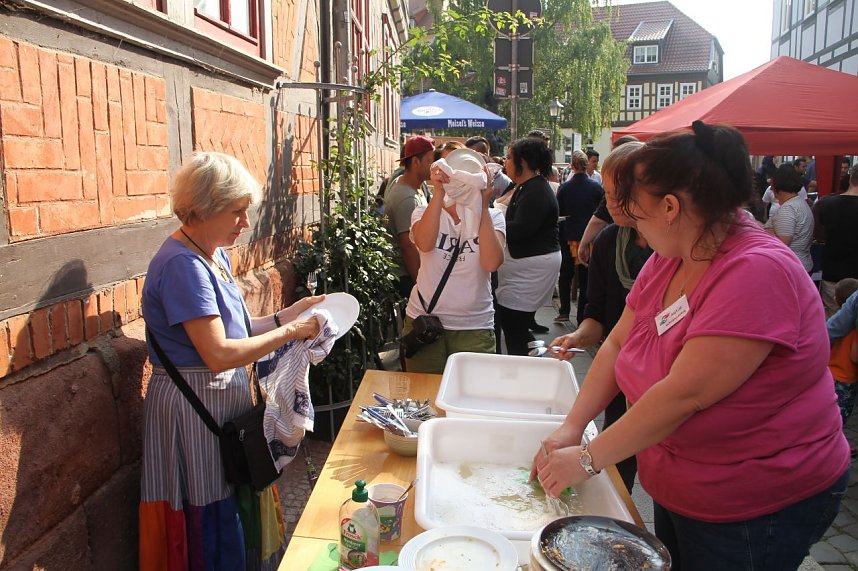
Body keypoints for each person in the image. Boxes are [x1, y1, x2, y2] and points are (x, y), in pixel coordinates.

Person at [532, 122, 848, 570]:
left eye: (636, 212)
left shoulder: (757, 271)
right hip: (685, 485)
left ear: (670, 206)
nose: (634, 227)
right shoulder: (672, 255)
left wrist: (586, 458)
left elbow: (685, 395)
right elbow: (619, 340)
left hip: (754, 502)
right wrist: (572, 426)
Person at [139, 152, 324, 570]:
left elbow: (239, 329)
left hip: (216, 408)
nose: (245, 221)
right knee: (209, 510)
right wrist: (292, 332)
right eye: (237, 211)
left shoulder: (211, 252)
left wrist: (289, 314)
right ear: (204, 209)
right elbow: (219, 354)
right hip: (193, 412)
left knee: (230, 501)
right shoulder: (184, 265)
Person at [548, 141, 649, 492]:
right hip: (622, 371)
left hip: (658, 380)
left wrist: (585, 457)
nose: (605, 202)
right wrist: (578, 337)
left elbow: (683, 395)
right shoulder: (609, 242)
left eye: (610, 192)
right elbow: (602, 321)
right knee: (621, 465)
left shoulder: (671, 251)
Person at [400, 150, 506, 373]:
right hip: (424, 320)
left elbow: (491, 263)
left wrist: (483, 206)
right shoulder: (422, 211)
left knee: (472, 400)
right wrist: (439, 192)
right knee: (424, 398)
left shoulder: (494, 217)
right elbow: (425, 244)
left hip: (474, 327)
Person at [495, 137, 561, 355]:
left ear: (521, 162)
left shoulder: (536, 190)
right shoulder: (528, 186)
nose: (506, 163)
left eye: (509, 158)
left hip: (532, 266)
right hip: (527, 263)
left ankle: (528, 366)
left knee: (514, 323)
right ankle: (525, 364)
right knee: (513, 323)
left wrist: (493, 223)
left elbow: (521, 229)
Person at [555, 150, 604, 324]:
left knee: (565, 275)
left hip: (568, 235)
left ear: (572, 166)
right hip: (589, 237)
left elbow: (558, 212)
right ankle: (582, 315)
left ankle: (564, 311)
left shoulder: (565, 188)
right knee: (586, 279)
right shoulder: (596, 187)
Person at [384, 135, 435, 299]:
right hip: (405, 276)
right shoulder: (407, 198)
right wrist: (422, 287)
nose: (434, 166)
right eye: (430, 161)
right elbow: (408, 246)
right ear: (415, 162)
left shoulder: (414, 186)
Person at [817, 164, 858, 316]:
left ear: (850, 179)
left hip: (832, 271)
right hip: (855, 272)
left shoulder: (827, 203)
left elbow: (820, 233)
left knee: (832, 317)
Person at [764, 163, 813, 272]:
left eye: (772, 184)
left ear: (778, 186)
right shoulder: (798, 203)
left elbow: (782, 243)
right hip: (799, 264)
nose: (771, 188)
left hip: (791, 267)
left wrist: (765, 232)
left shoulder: (788, 208)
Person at [828, 278, 858, 446]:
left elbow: (827, 334)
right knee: (840, 417)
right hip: (846, 380)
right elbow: (854, 356)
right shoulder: (854, 333)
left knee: (831, 417)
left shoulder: (837, 326)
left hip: (831, 375)